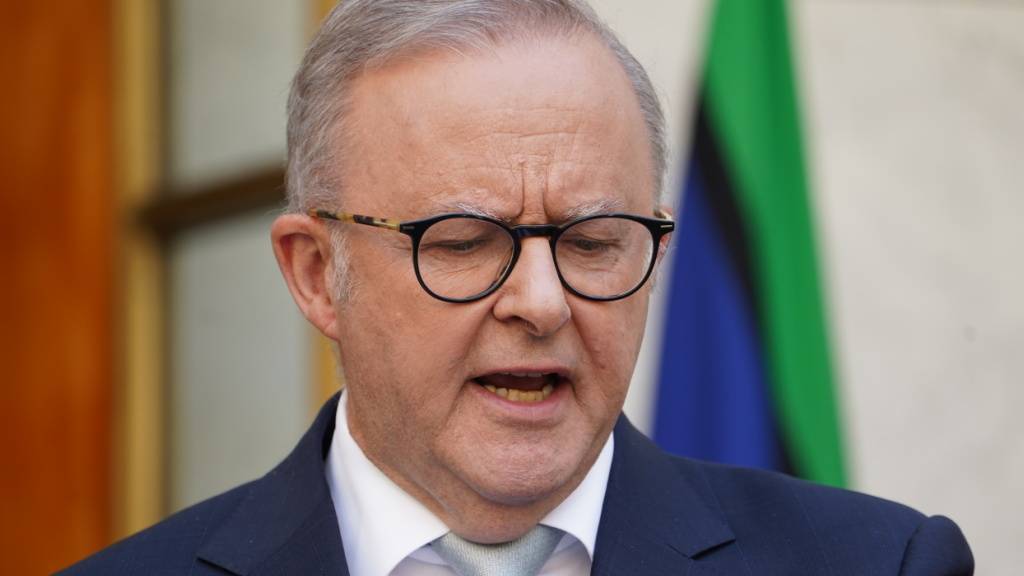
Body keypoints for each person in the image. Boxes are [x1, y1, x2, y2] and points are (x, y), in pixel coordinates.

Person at [63, 1, 973, 574]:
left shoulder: (877, 563)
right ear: (316, 274)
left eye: (593, 239)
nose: (541, 302)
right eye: (461, 243)